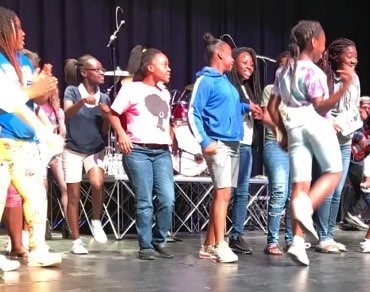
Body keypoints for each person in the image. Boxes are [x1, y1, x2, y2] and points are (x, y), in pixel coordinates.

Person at [267, 20, 353, 266]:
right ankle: (307, 210)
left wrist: (282, 133)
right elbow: (320, 106)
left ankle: (296, 241)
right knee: (334, 172)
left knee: (300, 186)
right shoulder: (313, 72)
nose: (324, 49)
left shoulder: (283, 70)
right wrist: (344, 87)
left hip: (294, 128)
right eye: (324, 43)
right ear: (314, 42)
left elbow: (272, 108)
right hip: (314, 123)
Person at [188, 32, 261, 263]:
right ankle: (220, 244)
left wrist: (247, 107)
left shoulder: (225, 83)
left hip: (233, 142)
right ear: (220, 54)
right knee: (224, 193)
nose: (233, 60)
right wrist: (204, 141)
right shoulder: (206, 80)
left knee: (224, 195)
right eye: (231, 56)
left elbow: (227, 108)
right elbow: (193, 112)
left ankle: (208, 245)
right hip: (218, 144)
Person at [0, 6, 63, 269]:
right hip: (3, 139)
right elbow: (7, 100)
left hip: (25, 141)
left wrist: (43, 89)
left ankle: (38, 247)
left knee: (36, 194)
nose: (24, 33)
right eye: (18, 27)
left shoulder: (23, 61)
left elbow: (28, 101)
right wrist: (32, 92)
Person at [108, 48, 175, 260]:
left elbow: (164, 120)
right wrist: (121, 134)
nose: (169, 68)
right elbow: (113, 113)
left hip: (162, 152)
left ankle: (158, 240)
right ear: (150, 67)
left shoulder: (164, 92)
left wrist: (170, 136)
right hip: (138, 151)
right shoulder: (131, 89)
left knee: (167, 199)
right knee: (144, 201)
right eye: (164, 64)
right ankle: (145, 245)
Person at [314, 38, 361, 254]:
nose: (354, 59)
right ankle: (323, 237)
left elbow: (354, 110)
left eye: (356, 56)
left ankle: (329, 235)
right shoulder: (323, 77)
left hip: (345, 138)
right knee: (329, 189)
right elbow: (318, 108)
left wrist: (344, 123)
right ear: (335, 56)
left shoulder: (355, 79)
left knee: (339, 189)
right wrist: (330, 122)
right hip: (328, 138)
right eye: (349, 55)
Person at [63, 54, 110, 254]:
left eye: (102, 69)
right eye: (97, 70)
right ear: (84, 73)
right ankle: (76, 241)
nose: (101, 73)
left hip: (94, 149)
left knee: (97, 183)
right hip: (73, 149)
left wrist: (107, 116)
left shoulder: (105, 97)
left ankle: (96, 220)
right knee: (73, 195)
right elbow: (67, 113)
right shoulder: (73, 91)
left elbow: (105, 131)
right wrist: (82, 102)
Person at [227, 46, 262, 254]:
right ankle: (218, 237)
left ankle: (237, 235)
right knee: (227, 191)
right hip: (233, 144)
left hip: (247, 145)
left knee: (242, 192)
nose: (249, 66)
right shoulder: (229, 87)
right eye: (244, 62)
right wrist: (248, 108)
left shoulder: (250, 89)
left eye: (251, 63)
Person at [261, 50, 294, 255]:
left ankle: (290, 240)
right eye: (282, 66)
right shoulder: (270, 89)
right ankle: (272, 241)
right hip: (276, 145)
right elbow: (266, 117)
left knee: (293, 195)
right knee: (280, 192)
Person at [341, 96, 370, 230]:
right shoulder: (353, 119)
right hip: (350, 157)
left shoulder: (365, 125)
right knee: (365, 187)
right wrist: (361, 137)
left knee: (359, 189)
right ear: (358, 107)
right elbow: (346, 131)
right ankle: (353, 214)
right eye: (365, 107)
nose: (368, 110)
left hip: (357, 159)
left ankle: (352, 218)